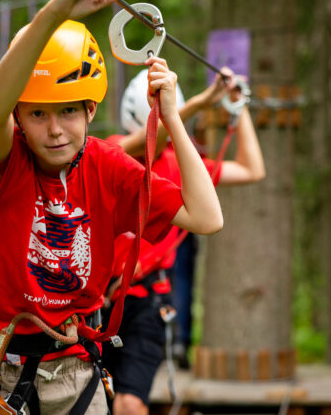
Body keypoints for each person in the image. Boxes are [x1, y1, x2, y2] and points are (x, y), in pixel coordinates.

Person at [0, 0, 224, 415]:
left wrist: (173, 118)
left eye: (68, 112)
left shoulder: (110, 167)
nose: (55, 130)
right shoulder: (5, 162)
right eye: (37, 114)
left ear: (91, 109)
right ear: (19, 117)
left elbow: (208, 218)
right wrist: (59, 9)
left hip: (74, 371)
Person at [102, 68, 266, 414]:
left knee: (130, 403)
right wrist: (195, 104)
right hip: (99, 303)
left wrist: (240, 107)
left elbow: (252, 169)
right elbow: (148, 140)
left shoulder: (181, 168)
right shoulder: (111, 154)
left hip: (146, 303)